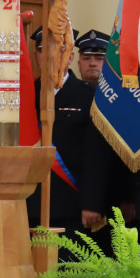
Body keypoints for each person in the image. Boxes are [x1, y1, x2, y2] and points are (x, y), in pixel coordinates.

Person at [26, 27, 93, 237]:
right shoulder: (23, 95)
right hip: (28, 203)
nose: (49, 55)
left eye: (60, 49)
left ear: (71, 56)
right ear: (35, 55)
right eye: (42, 49)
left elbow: (96, 155)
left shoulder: (89, 96)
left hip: (72, 206)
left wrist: (93, 202)